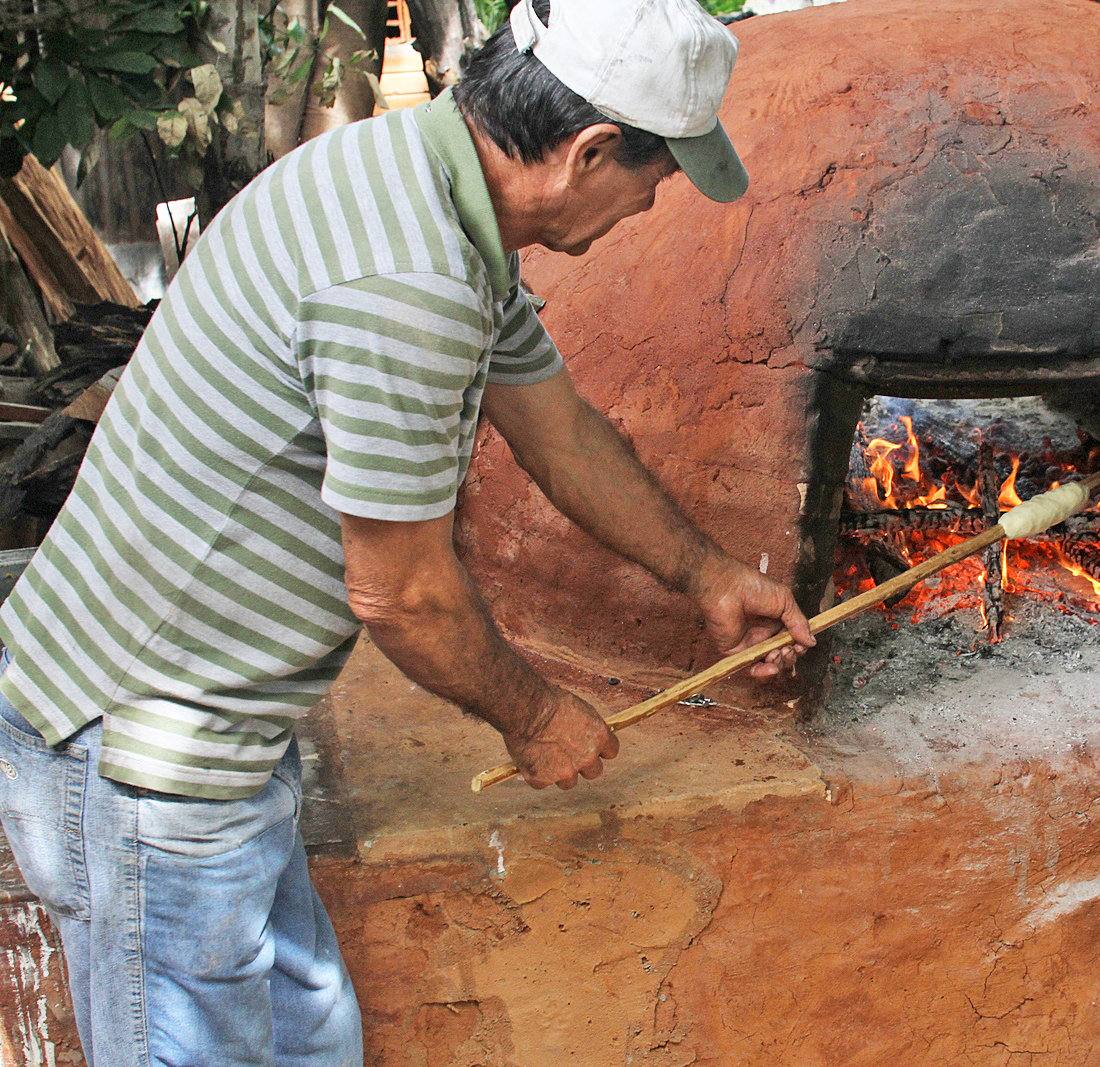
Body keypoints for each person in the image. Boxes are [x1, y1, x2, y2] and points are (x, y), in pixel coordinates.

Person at [0, 0, 813, 1062]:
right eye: (651, 182)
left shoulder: (427, 188)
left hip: (213, 730)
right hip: (141, 744)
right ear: (589, 151)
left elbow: (558, 429)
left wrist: (705, 573)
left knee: (309, 1039)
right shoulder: (408, 278)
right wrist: (532, 716)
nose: (647, 209)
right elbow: (402, 591)